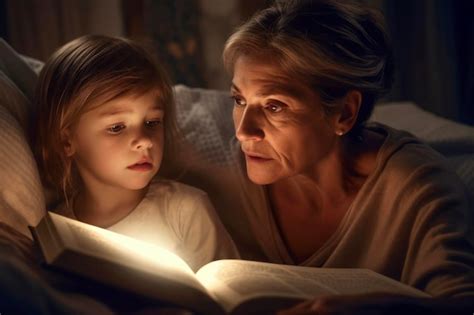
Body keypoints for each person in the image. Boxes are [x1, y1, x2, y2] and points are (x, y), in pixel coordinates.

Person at [220, 0, 474, 313]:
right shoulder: (220, 170)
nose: (244, 132)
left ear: (344, 113)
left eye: (274, 106)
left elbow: (462, 303)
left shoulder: (418, 189)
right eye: (239, 100)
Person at [34, 35, 238, 272]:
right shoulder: (57, 233)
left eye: (152, 122)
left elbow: (228, 289)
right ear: (66, 140)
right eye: (117, 127)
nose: (144, 141)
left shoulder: (186, 209)